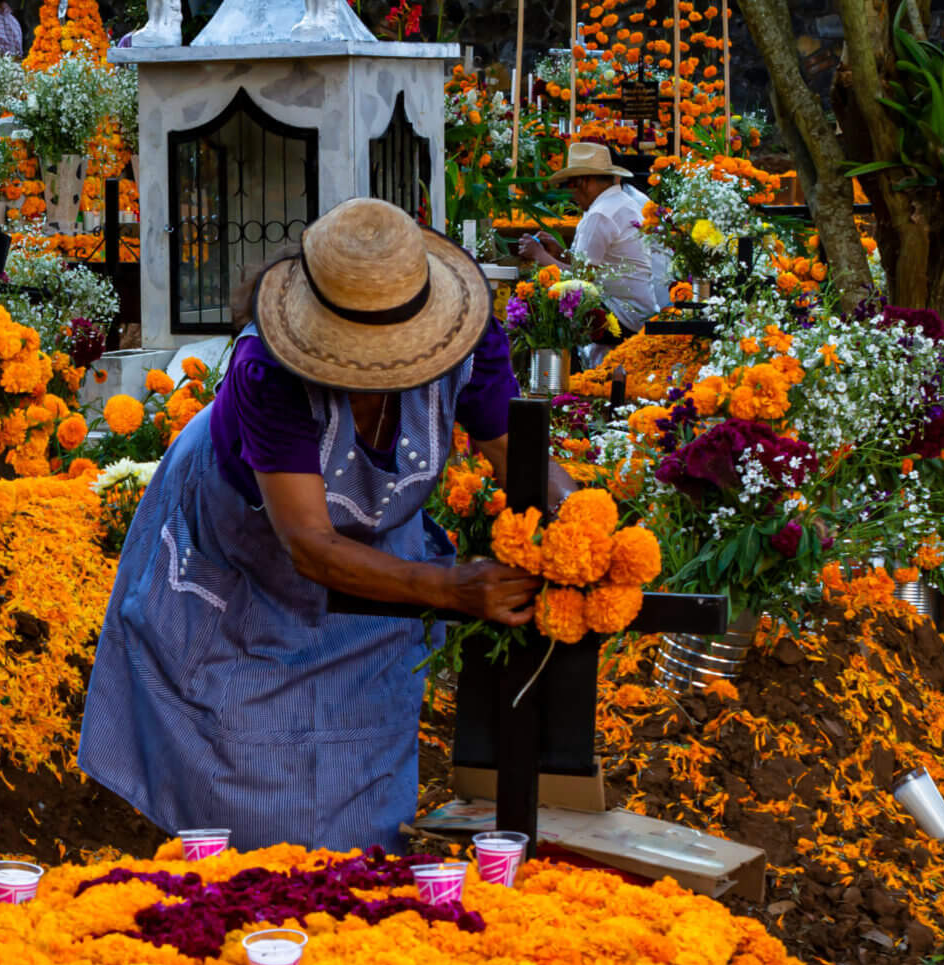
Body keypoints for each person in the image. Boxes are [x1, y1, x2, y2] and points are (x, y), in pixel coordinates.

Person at [78, 199, 562, 855]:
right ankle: (249, 918)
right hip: (249, 546)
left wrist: (587, 533)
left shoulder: (466, 341)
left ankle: (358, 892)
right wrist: (449, 589)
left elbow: (521, 458)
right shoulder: (269, 371)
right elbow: (309, 544)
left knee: (365, 737)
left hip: (378, 551)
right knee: (240, 746)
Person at [516, 142, 670, 337]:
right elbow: (594, 265)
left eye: (570, 185)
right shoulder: (620, 202)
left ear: (583, 182)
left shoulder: (601, 213)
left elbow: (580, 279)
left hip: (622, 315)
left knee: (536, 303)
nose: (571, 196)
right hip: (638, 310)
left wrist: (540, 256)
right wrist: (561, 253)